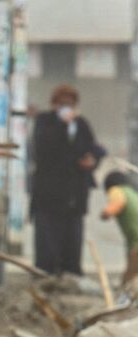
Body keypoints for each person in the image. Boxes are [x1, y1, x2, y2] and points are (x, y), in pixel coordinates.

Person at [30, 84, 102, 275]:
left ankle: (71, 273)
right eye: (62, 104)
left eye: (70, 104)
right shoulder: (45, 121)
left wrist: (91, 160)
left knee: (72, 238)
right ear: (54, 104)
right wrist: (61, 124)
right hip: (48, 194)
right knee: (48, 240)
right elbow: (43, 149)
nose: (67, 108)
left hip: (75, 194)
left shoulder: (81, 124)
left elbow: (94, 148)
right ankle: (47, 274)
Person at [100, 171, 138, 284]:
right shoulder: (132, 192)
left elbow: (117, 203)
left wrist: (105, 213)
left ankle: (123, 301)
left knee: (129, 281)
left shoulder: (117, 190)